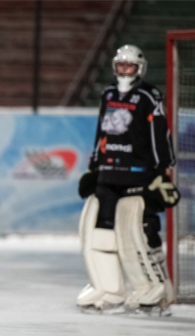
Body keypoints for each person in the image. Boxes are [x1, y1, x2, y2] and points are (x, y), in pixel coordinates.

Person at [75, 44, 180, 315]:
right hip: (109, 173)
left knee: (138, 232)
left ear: (139, 68)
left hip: (139, 173)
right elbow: (102, 131)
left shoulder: (148, 95)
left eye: (129, 66)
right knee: (101, 232)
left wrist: (163, 167)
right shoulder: (108, 93)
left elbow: (160, 133)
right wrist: (96, 162)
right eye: (120, 65)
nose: (124, 70)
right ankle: (109, 289)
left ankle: (153, 291)